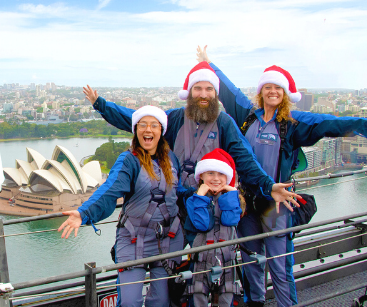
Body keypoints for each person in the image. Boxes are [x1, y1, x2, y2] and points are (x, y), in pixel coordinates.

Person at [196, 45, 367, 307]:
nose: (272, 92)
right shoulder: (248, 117)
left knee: (279, 266)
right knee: (251, 261)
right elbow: (229, 91)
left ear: (285, 93)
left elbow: (330, 123)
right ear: (261, 91)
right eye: (268, 87)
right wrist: (209, 64)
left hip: (277, 203)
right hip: (247, 202)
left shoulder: (293, 123)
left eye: (278, 88)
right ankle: (256, 303)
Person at [83, 63, 299, 224]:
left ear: (215, 93)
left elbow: (245, 159)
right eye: (198, 89)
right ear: (189, 93)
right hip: (174, 202)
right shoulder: (176, 119)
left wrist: (268, 185)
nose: (203, 95)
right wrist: (101, 105)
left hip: (210, 202)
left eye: (209, 89)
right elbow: (139, 120)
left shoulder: (224, 123)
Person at [58, 106, 184, 307]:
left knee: (161, 301)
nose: (148, 130)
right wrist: (84, 213)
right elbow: (110, 189)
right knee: (130, 301)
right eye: (142, 125)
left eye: (154, 125)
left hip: (166, 240)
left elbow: (180, 193)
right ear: (135, 130)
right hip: (135, 239)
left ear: (161, 131)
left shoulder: (171, 159)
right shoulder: (129, 160)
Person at [183, 148, 244, 307]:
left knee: (228, 296)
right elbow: (202, 224)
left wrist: (231, 195)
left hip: (227, 260)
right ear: (201, 176)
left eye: (221, 174)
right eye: (210, 173)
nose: (216, 179)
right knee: (198, 295)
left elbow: (230, 220)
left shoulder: (232, 199)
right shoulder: (193, 200)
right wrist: (201, 197)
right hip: (200, 261)